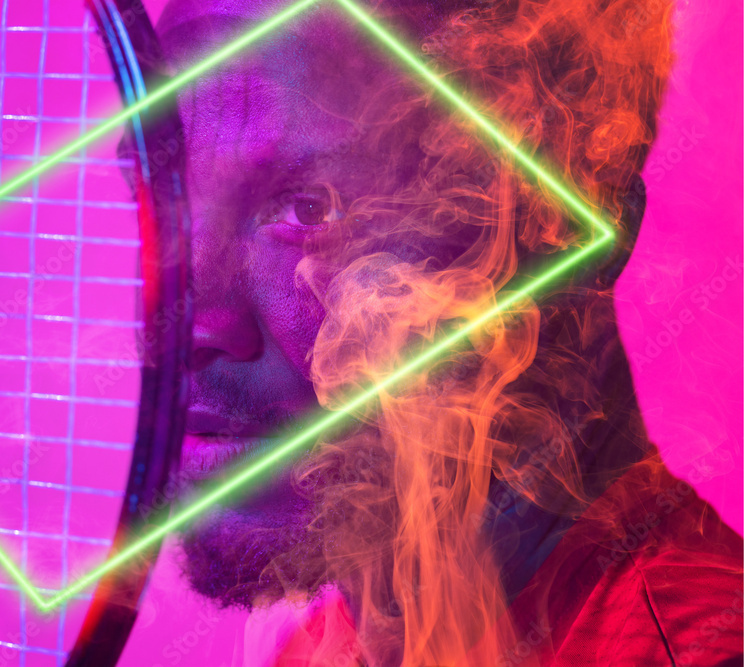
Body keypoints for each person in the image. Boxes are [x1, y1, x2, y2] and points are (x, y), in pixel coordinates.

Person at [149, 0, 744, 664]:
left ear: (564, 229)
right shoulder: (323, 648)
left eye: (310, 206)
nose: (181, 327)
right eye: (159, 199)